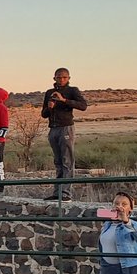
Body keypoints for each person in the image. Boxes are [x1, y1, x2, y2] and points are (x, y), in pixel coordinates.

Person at [40, 68, 88, 200]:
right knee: (58, 161)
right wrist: (49, 108)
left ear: (68, 78)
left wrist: (64, 100)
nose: (61, 80)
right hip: (53, 128)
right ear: (54, 78)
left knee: (67, 160)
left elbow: (83, 106)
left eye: (64, 77)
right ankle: (57, 192)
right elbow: (43, 114)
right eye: (59, 77)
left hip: (66, 128)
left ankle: (66, 194)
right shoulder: (49, 93)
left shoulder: (72, 91)